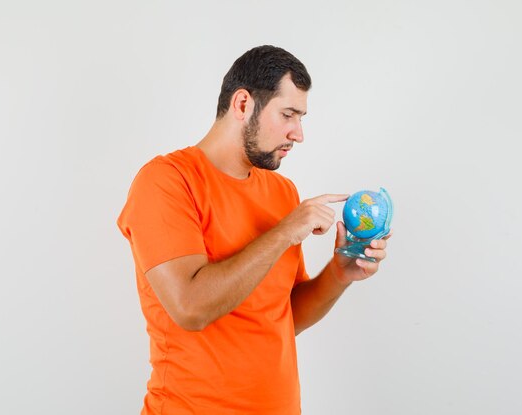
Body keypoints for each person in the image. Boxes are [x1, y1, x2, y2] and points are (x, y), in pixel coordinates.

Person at [117, 45, 389, 415]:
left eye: (301, 117)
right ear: (243, 104)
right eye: (288, 114)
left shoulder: (281, 192)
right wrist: (283, 233)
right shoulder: (166, 181)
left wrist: (339, 273)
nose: (299, 134)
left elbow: (284, 315)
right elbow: (190, 308)